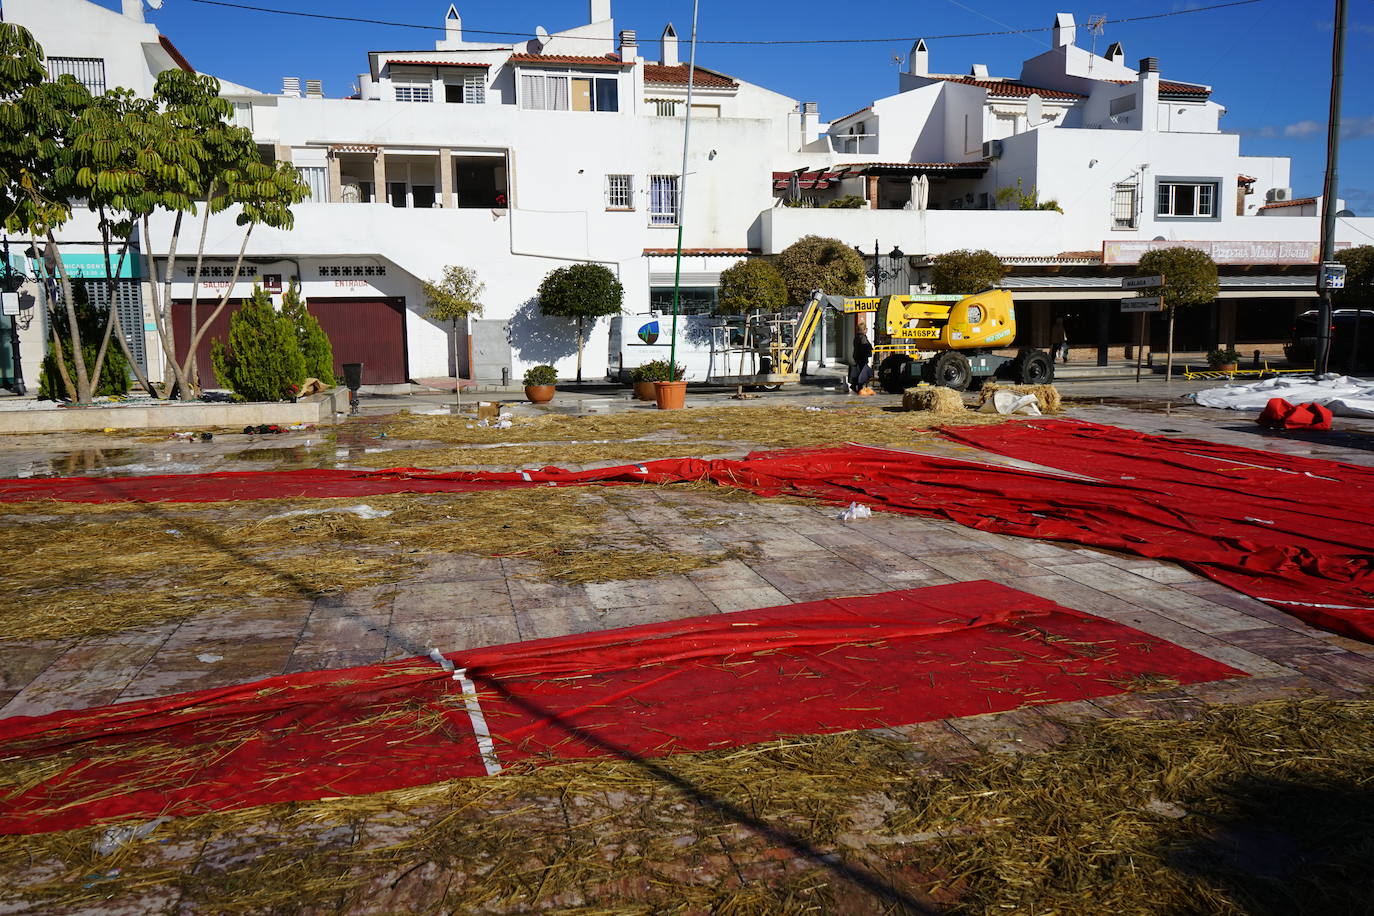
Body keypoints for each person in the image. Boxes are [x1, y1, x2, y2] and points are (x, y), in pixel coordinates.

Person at [849, 326, 874, 393]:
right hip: (862, 357)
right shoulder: (862, 337)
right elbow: (865, 346)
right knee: (863, 373)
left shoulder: (857, 336)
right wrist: (869, 349)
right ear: (864, 329)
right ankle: (859, 387)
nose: (867, 330)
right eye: (866, 329)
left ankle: (855, 385)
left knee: (860, 371)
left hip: (857, 356)